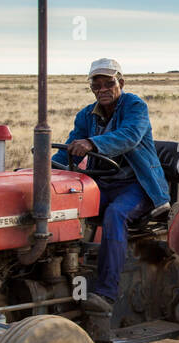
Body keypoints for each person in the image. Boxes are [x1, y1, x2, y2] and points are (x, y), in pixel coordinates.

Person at [52, 58, 170, 315]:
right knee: (66, 204)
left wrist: (93, 144)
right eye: (97, 85)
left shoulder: (135, 106)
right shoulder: (86, 115)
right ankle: (63, 278)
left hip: (138, 185)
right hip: (104, 184)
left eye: (109, 83)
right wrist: (44, 170)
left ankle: (106, 294)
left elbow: (129, 136)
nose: (103, 89)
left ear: (121, 83)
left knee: (115, 214)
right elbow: (71, 147)